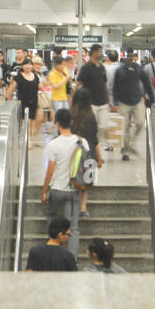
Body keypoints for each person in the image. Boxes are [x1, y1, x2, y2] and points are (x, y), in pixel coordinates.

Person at [40, 109, 84, 259]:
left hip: (57, 190)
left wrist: (44, 191)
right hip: (74, 190)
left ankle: (52, 253)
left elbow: (50, 171)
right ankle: (72, 259)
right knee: (73, 227)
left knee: (52, 218)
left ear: (57, 123)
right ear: (71, 122)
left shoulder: (53, 144)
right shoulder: (81, 141)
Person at [69, 88, 102, 218]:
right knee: (85, 184)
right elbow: (94, 139)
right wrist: (99, 157)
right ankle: (83, 209)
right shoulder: (91, 116)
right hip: (89, 154)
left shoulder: (71, 114)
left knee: (72, 180)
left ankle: (72, 206)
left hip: (73, 152)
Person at [76, 44, 113, 154]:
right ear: (94, 52)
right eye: (99, 51)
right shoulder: (85, 67)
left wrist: (108, 101)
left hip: (103, 103)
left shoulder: (101, 67)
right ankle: (90, 147)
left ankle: (95, 144)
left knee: (104, 126)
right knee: (90, 127)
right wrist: (73, 99)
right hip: (90, 103)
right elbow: (78, 83)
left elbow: (105, 85)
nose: (101, 54)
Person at [112, 51, 149, 161]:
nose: (130, 58)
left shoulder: (139, 69)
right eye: (128, 56)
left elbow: (146, 83)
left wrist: (150, 97)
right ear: (125, 57)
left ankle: (131, 142)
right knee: (125, 127)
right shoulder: (120, 70)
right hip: (123, 102)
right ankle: (126, 152)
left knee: (140, 123)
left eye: (131, 56)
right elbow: (115, 87)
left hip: (137, 100)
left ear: (134, 57)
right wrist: (115, 102)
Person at [7, 57, 42, 144]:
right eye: (26, 64)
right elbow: (11, 90)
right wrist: (9, 100)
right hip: (23, 102)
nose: (28, 66)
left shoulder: (35, 76)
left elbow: (39, 87)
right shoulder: (19, 77)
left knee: (33, 121)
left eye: (30, 64)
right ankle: (28, 140)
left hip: (34, 101)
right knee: (26, 122)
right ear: (22, 66)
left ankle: (32, 138)